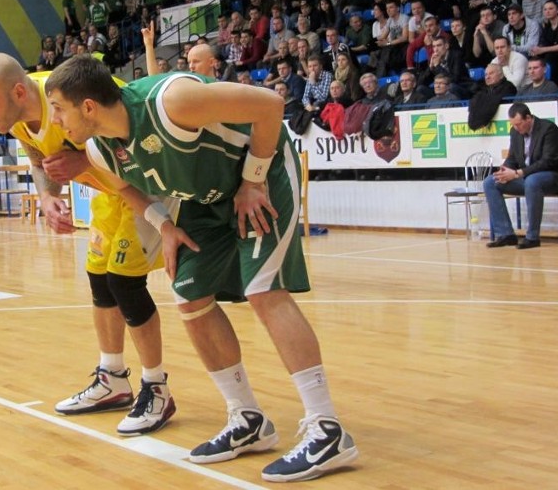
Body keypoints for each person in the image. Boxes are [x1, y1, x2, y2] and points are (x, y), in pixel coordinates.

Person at [45, 56, 358, 483]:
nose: (54, 119)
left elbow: (269, 105)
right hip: (205, 199)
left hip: (260, 175)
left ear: (87, 107)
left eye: (59, 108)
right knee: (190, 297)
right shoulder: (101, 149)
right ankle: (247, 420)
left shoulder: (172, 101)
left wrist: (252, 181)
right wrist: (166, 227)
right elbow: (126, 188)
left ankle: (327, 429)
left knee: (263, 290)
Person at [0, 54, 176, 438]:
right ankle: (113, 379)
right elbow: (36, 155)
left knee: (125, 283)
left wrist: (81, 160)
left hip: (146, 187)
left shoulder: (68, 93)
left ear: (18, 91)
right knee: (99, 279)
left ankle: (157, 388)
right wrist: (48, 196)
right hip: (110, 193)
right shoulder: (14, 117)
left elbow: (136, 135)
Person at [484, 103, 558, 249]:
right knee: (490, 182)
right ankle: (506, 234)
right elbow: (513, 157)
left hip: (552, 177)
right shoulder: (515, 132)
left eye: (519, 124)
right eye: (513, 125)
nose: (516, 128)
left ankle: (532, 237)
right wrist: (504, 171)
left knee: (532, 181)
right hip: (526, 177)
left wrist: (518, 173)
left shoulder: (548, 129)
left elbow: (549, 161)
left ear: (528, 118)